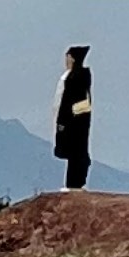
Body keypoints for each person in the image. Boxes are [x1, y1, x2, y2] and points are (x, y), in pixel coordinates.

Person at [53, 46, 94, 190]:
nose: (66, 60)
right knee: (75, 152)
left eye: (68, 57)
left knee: (76, 152)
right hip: (79, 120)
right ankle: (75, 182)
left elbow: (67, 102)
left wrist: (64, 121)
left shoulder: (75, 78)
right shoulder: (78, 76)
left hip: (74, 121)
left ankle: (74, 183)